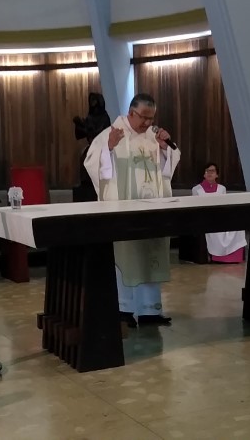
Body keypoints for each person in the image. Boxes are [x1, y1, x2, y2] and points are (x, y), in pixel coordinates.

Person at [84, 93, 180, 327]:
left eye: (151, 118)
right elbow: (91, 163)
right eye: (143, 117)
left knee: (150, 256)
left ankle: (150, 310)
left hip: (152, 210)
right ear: (131, 112)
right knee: (126, 257)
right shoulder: (111, 133)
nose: (147, 122)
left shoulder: (154, 136)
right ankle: (124, 309)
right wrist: (108, 148)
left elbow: (168, 167)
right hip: (124, 211)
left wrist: (165, 150)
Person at [192, 163, 247, 263]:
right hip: (206, 218)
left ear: (217, 175)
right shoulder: (197, 189)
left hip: (221, 216)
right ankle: (217, 256)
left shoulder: (222, 188)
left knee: (238, 226)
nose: (209, 173)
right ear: (204, 174)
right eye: (207, 171)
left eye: (212, 171)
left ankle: (235, 257)